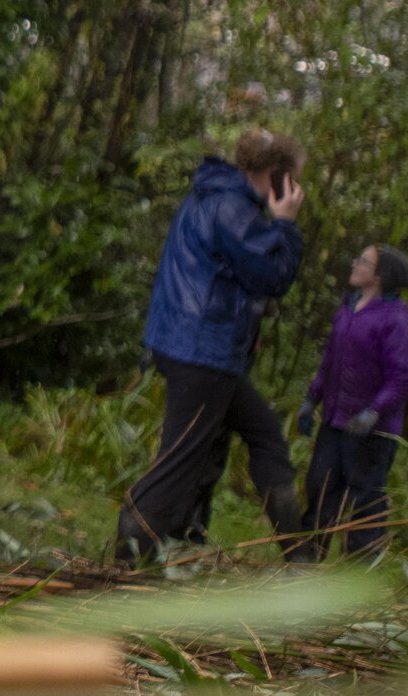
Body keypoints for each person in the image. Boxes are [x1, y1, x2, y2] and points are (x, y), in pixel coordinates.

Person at [114, 128, 308, 565]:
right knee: (180, 459)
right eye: (290, 178)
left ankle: (299, 556)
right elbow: (274, 276)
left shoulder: (213, 195)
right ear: (276, 175)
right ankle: (129, 555)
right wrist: (286, 225)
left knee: (266, 437)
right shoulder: (235, 209)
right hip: (202, 352)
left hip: (198, 349)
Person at [290, 243, 408, 559]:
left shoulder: (394, 320)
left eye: (363, 261)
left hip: (371, 431)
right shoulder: (347, 309)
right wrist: (312, 399)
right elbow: (330, 360)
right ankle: (307, 559)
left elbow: (401, 377)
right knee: (320, 486)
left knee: (366, 498)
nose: (355, 264)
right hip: (335, 421)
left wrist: (374, 411)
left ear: (379, 276)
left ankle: (361, 572)